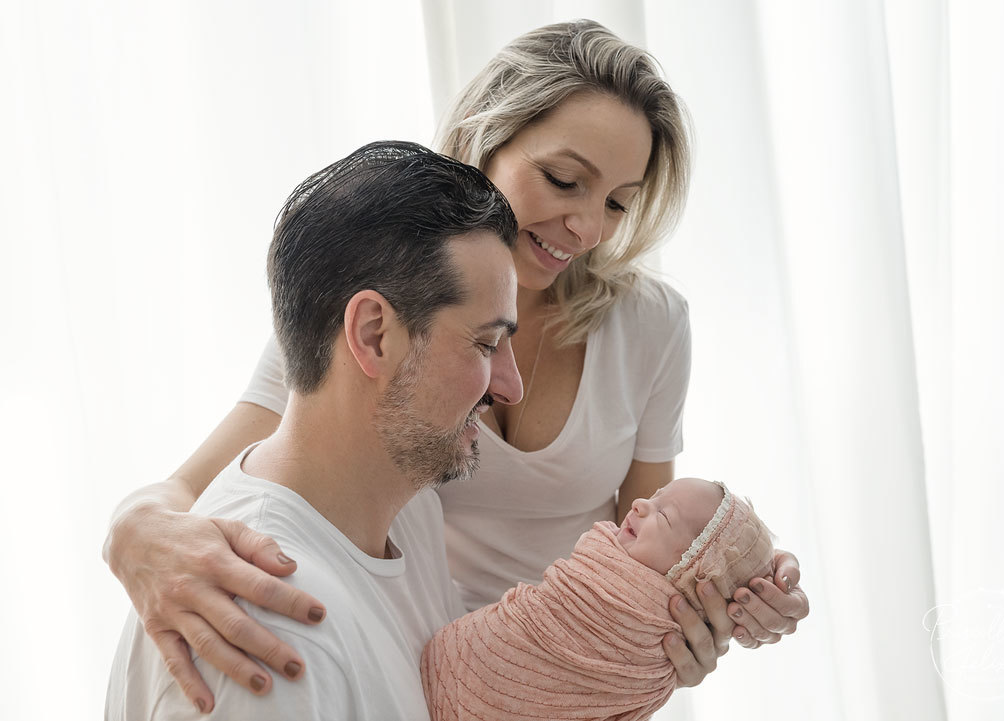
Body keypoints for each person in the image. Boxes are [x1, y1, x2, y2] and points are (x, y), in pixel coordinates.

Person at [102, 19, 810, 715]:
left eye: (618, 203)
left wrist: (733, 588)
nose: (588, 228)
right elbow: (239, 482)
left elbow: (656, 548)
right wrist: (132, 530)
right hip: (413, 661)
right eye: (564, 180)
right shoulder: (375, 294)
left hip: (562, 677)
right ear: (485, 134)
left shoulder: (651, 326)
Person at [106, 140, 524, 719]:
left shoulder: (407, 515)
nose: (510, 387)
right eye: (485, 343)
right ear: (374, 334)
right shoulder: (265, 629)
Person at [420, 478, 776, 721]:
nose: (639, 504)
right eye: (653, 497)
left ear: (692, 572)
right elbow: (550, 611)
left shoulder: (655, 620)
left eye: (663, 514)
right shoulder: (604, 560)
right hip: (467, 633)